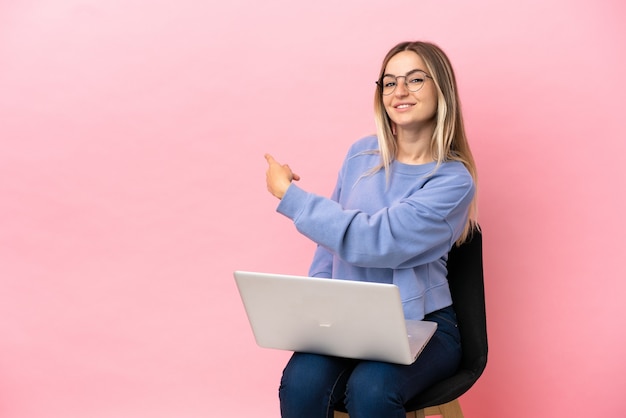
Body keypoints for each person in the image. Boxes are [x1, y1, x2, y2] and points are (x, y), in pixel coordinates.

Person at [264, 41, 478, 418]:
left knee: (372, 389)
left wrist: (289, 195)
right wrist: (318, 311)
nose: (400, 92)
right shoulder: (360, 154)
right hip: (350, 318)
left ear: (441, 89)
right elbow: (329, 242)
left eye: (414, 80)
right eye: (389, 83)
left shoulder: (453, 180)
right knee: (301, 383)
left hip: (421, 323)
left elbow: (380, 240)